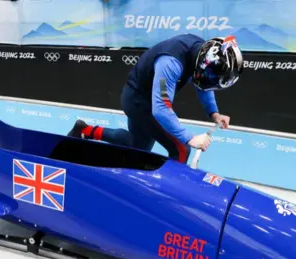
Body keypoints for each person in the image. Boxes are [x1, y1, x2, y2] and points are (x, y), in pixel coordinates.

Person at [68, 34, 243, 163]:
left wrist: (214, 113)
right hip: (139, 101)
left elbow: (203, 83)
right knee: (181, 148)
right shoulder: (170, 63)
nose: (210, 80)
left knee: (135, 146)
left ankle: (85, 130)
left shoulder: (200, 52)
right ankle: (171, 195)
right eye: (211, 76)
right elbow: (161, 107)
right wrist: (189, 138)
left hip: (139, 96)